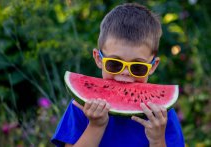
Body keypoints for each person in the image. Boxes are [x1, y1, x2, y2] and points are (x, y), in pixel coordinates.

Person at [51, 3, 185, 147]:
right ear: (98, 58)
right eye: (114, 64)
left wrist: (157, 140)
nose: (125, 73)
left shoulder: (162, 115)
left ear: (153, 66)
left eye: (138, 67)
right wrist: (95, 126)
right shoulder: (80, 107)